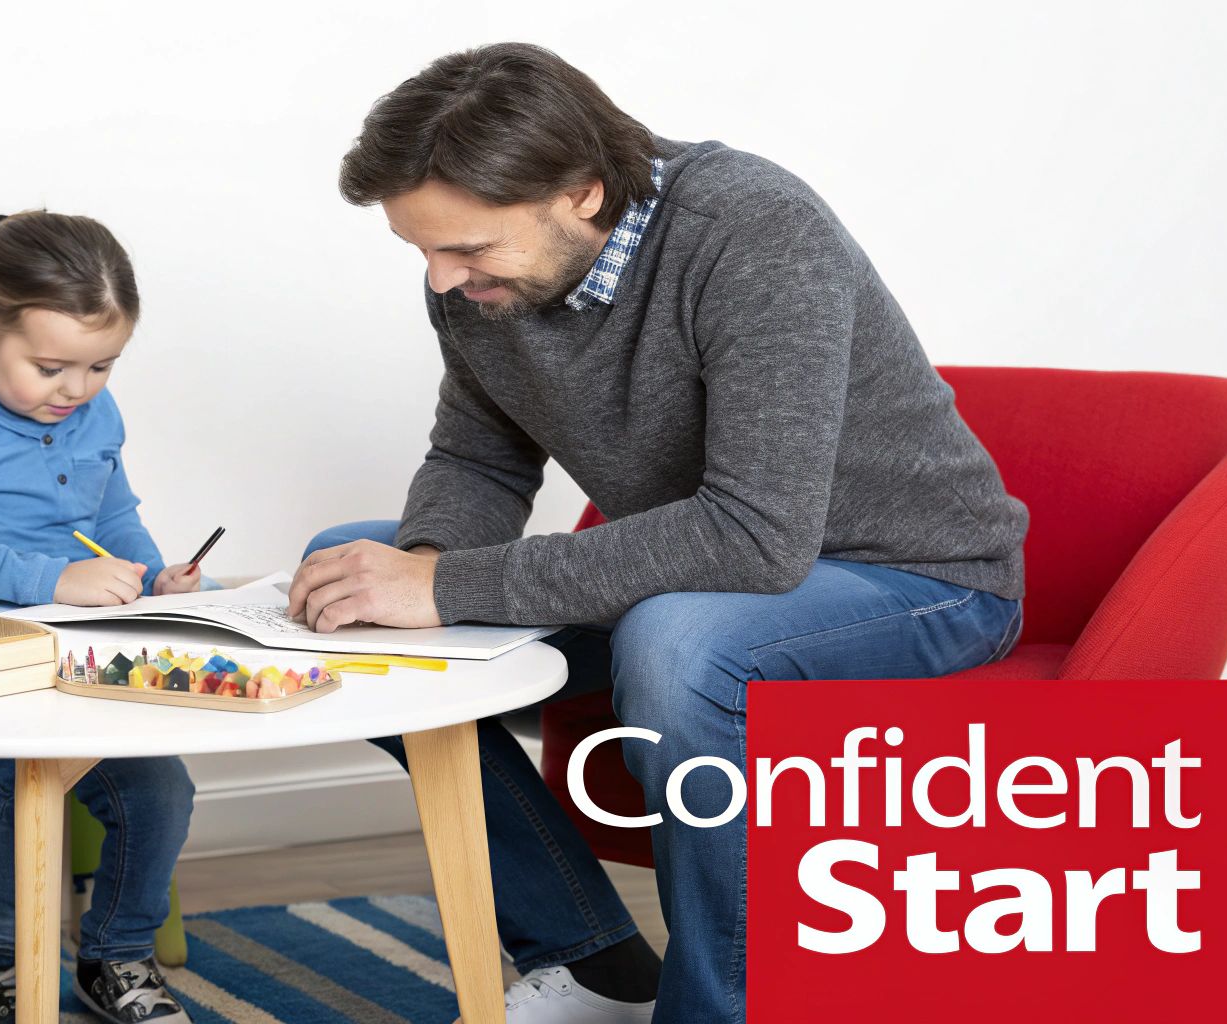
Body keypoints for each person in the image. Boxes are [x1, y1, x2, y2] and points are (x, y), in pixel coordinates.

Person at [291, 44, 1028, 1024]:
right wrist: (421, 568)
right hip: (703, 561)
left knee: (677, 642)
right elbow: (478, 462)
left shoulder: (753, 229)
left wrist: (446, 588)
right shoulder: (482, 282)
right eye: (420, 250)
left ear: (581, 193)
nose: (439, 279)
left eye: (465, 248)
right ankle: (593, 960)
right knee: (345, 573)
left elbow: (755, 538)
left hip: (915, 576)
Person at [0, 210, 197, 1024]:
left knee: (162, 785)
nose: (76, 390)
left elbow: (114, 509)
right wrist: (56, 578)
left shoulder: (95, 416)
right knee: (44, 776)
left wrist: (151, 573)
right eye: (52, 367)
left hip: (76, 653)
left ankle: (115, 956)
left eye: (101, 367)